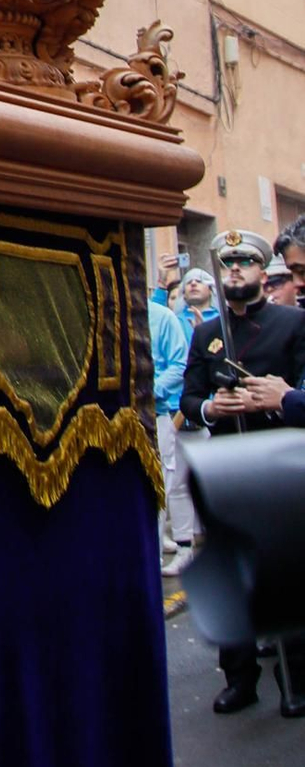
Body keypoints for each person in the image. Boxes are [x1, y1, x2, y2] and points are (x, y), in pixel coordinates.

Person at [180, 227, 305, 715]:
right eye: (227, 264)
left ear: (262, 271)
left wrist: (273, 401)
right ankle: (239, 678)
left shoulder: (292, 324)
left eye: (245, 263)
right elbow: (189, 398)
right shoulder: (207, 334)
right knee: (230, 572)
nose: (234, 271)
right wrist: (212, 407)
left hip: (275, 459)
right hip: (224, 463)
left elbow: (297, 387)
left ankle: (295, 678)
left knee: (286, 567)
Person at [149, 276, 196, 573]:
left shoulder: (164, 318)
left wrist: (149, 392)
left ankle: (152, 557)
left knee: (160, 485)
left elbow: (180, 364)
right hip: (113, 419)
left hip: (156, 415)